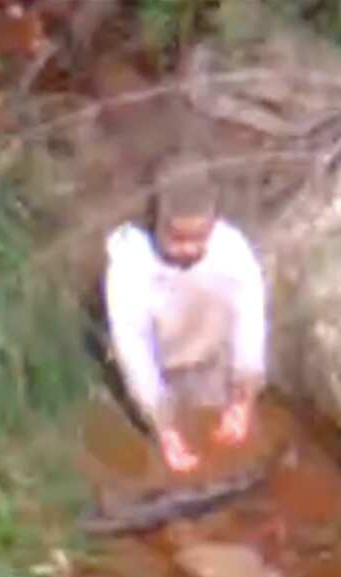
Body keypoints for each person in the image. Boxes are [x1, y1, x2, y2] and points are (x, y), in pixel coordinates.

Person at [102, 155, 267, 473]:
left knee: (235, 451)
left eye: (199, 237)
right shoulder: (130, 261)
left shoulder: (232, 249)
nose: (189, 249)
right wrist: (162, 426)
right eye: (177, 238)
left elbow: (251, 320)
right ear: (155, 221)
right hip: (154, 372)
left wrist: (243, 396)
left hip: (211, 365)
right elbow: (132, 345)